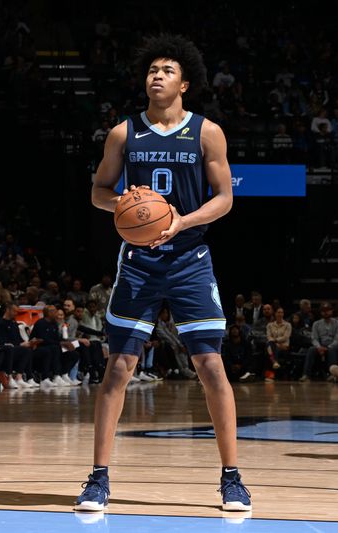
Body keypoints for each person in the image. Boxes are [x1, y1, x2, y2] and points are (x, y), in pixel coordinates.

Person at [75, 34, 251, 512]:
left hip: (190, 259)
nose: (157, 75)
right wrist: (126, 204)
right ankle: (98, 478)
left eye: (167, 70)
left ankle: (232, 478)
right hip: (138, 264)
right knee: (118, 367)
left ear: (185, 83)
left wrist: (179, 222)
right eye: (152, 70)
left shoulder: (208, 132)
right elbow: (98, 191)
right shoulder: (123, 133)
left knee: (210, 365)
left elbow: (224, 198)